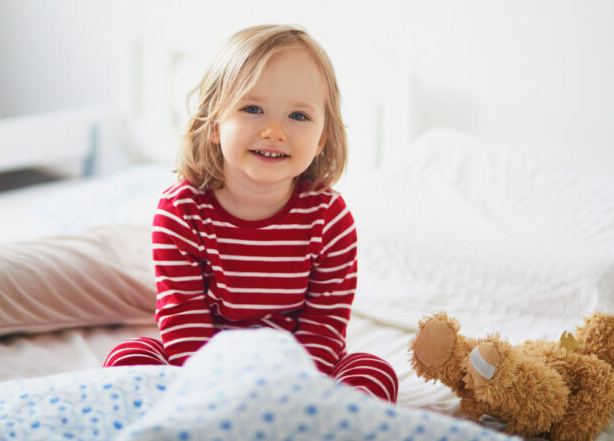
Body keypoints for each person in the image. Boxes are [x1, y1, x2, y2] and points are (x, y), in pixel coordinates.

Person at [104, 24, 398, 403]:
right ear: (214, 124)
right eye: (253, 109)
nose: (275, 130)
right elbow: (183, 321)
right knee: (128, 357)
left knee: (374, 372)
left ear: (322, 138)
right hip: (201, 365)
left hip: (295, 368)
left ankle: (310, 424)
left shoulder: (330, 218)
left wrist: (291, 390)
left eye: (299, 116)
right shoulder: (181, 211)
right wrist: (216, 391)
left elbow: (324, 326)